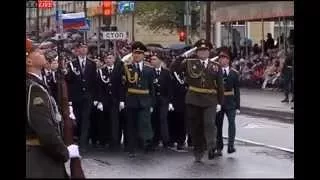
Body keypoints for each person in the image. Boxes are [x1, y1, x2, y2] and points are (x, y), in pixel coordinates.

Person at [26, 39, 81, 178]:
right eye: (36, 51)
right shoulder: (33, 88)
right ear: (28, 62)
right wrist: (64, 151)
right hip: (39, 159)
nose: (42, 52)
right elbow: (43, 127)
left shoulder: (36, 84)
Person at [173, 39, 224, 162]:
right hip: (194, 99)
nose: (203, 53)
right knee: (196, 127)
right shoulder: (189, 63)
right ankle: (198, 150)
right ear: (196, 52)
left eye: (205, 50)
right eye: (200, 50)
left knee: (209, 122)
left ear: (209, 52)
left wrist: (220, 102)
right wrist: (183, 56)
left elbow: (220, 86)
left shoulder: (215, 67)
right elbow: (173, 68)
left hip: (210, 99)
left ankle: (211, 146)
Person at [123, 41, 155, 157]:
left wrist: (152, 103)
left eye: (139, 53)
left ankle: (146, 143)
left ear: (143, 55)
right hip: (131, 99)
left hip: (145, 100)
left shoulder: (149, 69)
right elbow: (123, 85)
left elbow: (152, 87)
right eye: (134, 53)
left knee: (145, 123)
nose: (136, 55)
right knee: (131, 125)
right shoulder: (127, 67)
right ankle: (131, 148)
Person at [64, 42, 98, 152]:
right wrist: (66, 73)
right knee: (77, 119)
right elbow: (69, 80)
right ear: (77, 50)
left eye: (85, 48)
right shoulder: (72, 64)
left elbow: (94, 81)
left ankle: (83, 144)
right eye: (81, 48)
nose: (83, 50)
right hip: (76, 97)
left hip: (87, 97)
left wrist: (94, 97)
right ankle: (76, 139)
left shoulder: (92, 64)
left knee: (86, 120)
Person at [96, 52, 126, 150]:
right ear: (105, 60)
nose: (108, 60)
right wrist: (99, 101)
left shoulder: (119, 71)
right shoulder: (101, 71)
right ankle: (104, 140)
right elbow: (99, 87)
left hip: (115, 100)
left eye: (110, 58)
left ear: (114, 60)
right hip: (105, 100)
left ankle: (115, 142)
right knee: (104, 121)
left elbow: (121, 86)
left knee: (115, 121)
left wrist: (122, 100)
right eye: (107, 58)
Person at [215, 47, 240, 156]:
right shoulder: (215, 71)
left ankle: (230, 146)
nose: (222, 60)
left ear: (228, 60)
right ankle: (219, 146)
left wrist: (238, 106)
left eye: (224, 58)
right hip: (219, 101)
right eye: (220, 58)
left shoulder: (234, 73)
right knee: (218, 125)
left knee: (231, 123)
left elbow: (237, 90)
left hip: (230, 102)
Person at [149, 52, 174, 149]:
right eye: (151, 59)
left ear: (160, 60)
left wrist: (170, 102)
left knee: (163, 119)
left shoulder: (166, 72)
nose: (152, 61)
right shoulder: (149, 72)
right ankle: (154, 140)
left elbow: (170, 88)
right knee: (153, 120)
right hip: (153, 99)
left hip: (164, 99)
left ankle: (166, 140)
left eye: (154, 59)